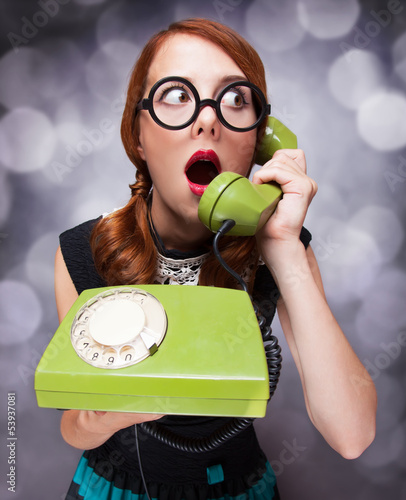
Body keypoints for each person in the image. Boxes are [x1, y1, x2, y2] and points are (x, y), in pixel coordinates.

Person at [55, 18, 377, 500]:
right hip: (115, 488)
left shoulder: (285, 248)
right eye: (177, 95)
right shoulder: (85, 250)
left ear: (261, 140)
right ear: (138, 135)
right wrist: (106, 414)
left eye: (235, 100)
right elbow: (73, 426)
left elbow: (352, 436)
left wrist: (284, 248)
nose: (208, 119)